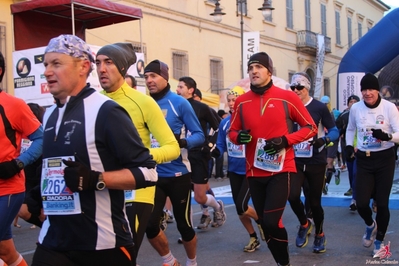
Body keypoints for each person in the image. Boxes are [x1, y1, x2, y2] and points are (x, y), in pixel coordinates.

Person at [31, 34, 158, 266]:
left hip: (102, 244)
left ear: (83, 67)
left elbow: (148, 172)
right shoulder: (49, 113)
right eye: (46, 64)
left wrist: (95, 179)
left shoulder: (107, 111)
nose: (48, 71)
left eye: (56, 64)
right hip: (53, 240)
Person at [228, 52, 317, 266]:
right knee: (267, 224)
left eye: (259, 67)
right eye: (251, 68)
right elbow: (232, 132)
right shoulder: (241, 101)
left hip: (281, 170)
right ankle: (281, 262)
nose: (254, 71)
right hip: (254, 171)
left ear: (269, 71)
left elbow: (311, 128)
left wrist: (285, 140)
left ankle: (284, 262)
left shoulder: (287, 97)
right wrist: (239, 137)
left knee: (270, 220)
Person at [95, 43, 180, 260]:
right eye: (98, 63)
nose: (101, 69)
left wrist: (144, 157)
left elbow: (172, 147)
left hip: (137, 189)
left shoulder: (143, 102)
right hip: (104, 186)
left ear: (122, 68)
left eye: (108, 62)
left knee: (124, 255)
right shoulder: (94, 101)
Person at [144, 60, 204, 266]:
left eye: (153, 76)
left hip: (178, 173)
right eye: (146, 77)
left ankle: (192, 262)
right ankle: (169, 260)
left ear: (165, 77)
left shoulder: (179, 103)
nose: (149, 81)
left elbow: (199, 135)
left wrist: (183, 142)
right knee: (149, 225)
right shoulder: (144, 103)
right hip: (152, 175)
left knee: (184, 226)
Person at [345, 73, 399, 257]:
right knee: (361, 203)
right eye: (364, 90)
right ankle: (370, 225)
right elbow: (350, 128)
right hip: (364, 159)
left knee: (382, 204)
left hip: (385, 158)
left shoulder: (389, 108)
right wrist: (347, 146)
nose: (367, 93)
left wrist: (387, 136)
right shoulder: (356, 109)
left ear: (377, 90)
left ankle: (379, 241)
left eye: (371, 89)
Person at [288, 72, 339, 253]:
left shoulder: (319, 107)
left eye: (299, 87)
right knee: (292, 195)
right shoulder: (288, 106)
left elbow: (334, 130)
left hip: (316, 160)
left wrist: (324, 140)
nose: (295, 90)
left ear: (307, 88)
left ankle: (319, 234)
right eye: (292, 87)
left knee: (315, 203)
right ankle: (304, 224)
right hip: (295, 159)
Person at [0, 51, 43, 266]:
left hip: (7, 189)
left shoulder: (14, 105)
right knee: (6, 251)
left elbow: (41, 138)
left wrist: (18, 163)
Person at [212, 85, 264, 252]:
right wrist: (212, 153)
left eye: (235, 100)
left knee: (242, 205)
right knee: (239, 209)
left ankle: (261, 221)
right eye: (229, 100)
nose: (232, 103)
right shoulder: (225, 123)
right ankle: (253, 237)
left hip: (250, 169)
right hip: (234, 170)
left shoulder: (252, 119)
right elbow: (220, 145)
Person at [176, 76, 226, 229]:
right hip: (180, 156)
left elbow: (219, 126)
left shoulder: (202, 108)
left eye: (180, 87)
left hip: (199, 155)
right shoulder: (175, 106)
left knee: (199, 196)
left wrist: (210, 145)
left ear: (190, 90)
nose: (177, 90)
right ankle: (187, 232)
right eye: (177, 87)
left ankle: (217, 207)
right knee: (182, 195)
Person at [17, 103, 46, 229]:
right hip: (25, 180)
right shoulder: (19, 134)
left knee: (43, 214)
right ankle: (46, 228)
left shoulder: (41, 134)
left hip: (41, 179)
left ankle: (48, 232)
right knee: (22, 211)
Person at [335, 95, 360, 209]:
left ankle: (356, 197)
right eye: (351, 101)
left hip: (362, 150)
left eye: (355, 101)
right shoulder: (343, 115)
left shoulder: (363, 114)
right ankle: (354, 193)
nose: (353, 103)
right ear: (348, 104)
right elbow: (335, 130)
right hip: (348, 149)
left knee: (357, 173)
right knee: (351, 173)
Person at [321, 95, 341, 194]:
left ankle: (326, 185)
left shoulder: (334, 114)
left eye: (326, 103)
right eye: (323, 103)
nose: (325, 105)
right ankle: (335, 171)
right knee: (323, 163)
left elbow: (339, 128)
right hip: (322, 140)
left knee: (329, 162)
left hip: (332, 140)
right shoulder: (319, 113)